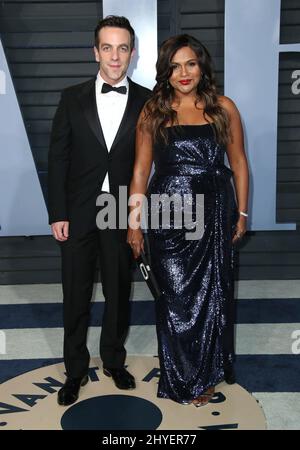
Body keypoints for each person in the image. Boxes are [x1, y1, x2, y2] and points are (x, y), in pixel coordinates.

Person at [127, 34, 249, 406]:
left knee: (212, 296)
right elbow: (140, 170)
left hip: (213, 213)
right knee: (175, 299)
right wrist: (134, 222)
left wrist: (242, 213)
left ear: (202, 66)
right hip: (167, 214)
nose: (184, 73)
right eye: (176, 66)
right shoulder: (153, 110)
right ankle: (181, 376)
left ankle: (205, 376)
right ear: (166, 71)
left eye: (191, 64)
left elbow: (239, 162)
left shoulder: (223, 108)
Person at [48, 16, 151, 406]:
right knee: (75, 295)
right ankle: (74, 371)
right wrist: (58, 212)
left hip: (121, 211)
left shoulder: (146, 99)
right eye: (107, 47)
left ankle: (113, 360)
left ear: (132, 53)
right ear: (95, 52)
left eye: (122, 47)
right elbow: (58, 159)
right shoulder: (71, 97)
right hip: (77, 211)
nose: (114, 55)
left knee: (118, 292)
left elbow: (153, 162)